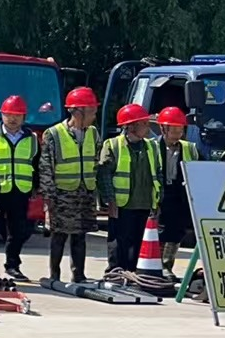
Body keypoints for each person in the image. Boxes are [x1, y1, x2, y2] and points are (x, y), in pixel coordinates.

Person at [41, 87, 102, 284]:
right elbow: (46, 167)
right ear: (77, 112)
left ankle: (79, 274)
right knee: (59, 235)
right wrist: (48, 197)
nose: (94, 116)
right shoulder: (53, 134)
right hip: (62, 194)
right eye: (91, 111)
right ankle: (54, 275)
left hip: (85, 193)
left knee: (80, 235)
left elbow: (96, 163)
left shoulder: (93, 133)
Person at [98, 104, 162, 273]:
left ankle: (133, 273)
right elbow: (104, 175)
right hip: (122, 204)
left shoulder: (151, 146)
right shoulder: (113, 145)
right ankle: (116, 272)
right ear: (131, 126)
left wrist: (157, 200)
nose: (148, 128)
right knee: (119, 241)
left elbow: (158, 174)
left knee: (138, 242)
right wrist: (110, 200)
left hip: (144, 203)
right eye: (144, 124)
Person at [0, 95, 39, 279]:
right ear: (2, 115)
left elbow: (36, 164)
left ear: (24, 117)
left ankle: (13, 265)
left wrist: (36, 186)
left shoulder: (31, 138)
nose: (12, 119)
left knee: (17, 231)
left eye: (17, 115)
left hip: (21, 191)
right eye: (8, 114)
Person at [154, 106, 198, 274]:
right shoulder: (152, 146)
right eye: (174, 130)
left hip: (179, 195)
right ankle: (155, 266)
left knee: (176, 232)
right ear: (163, 129)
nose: (177, 134)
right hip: (159, 194)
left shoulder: (189, 148)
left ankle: (167, 266)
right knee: (158, 231)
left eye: (180, 130)